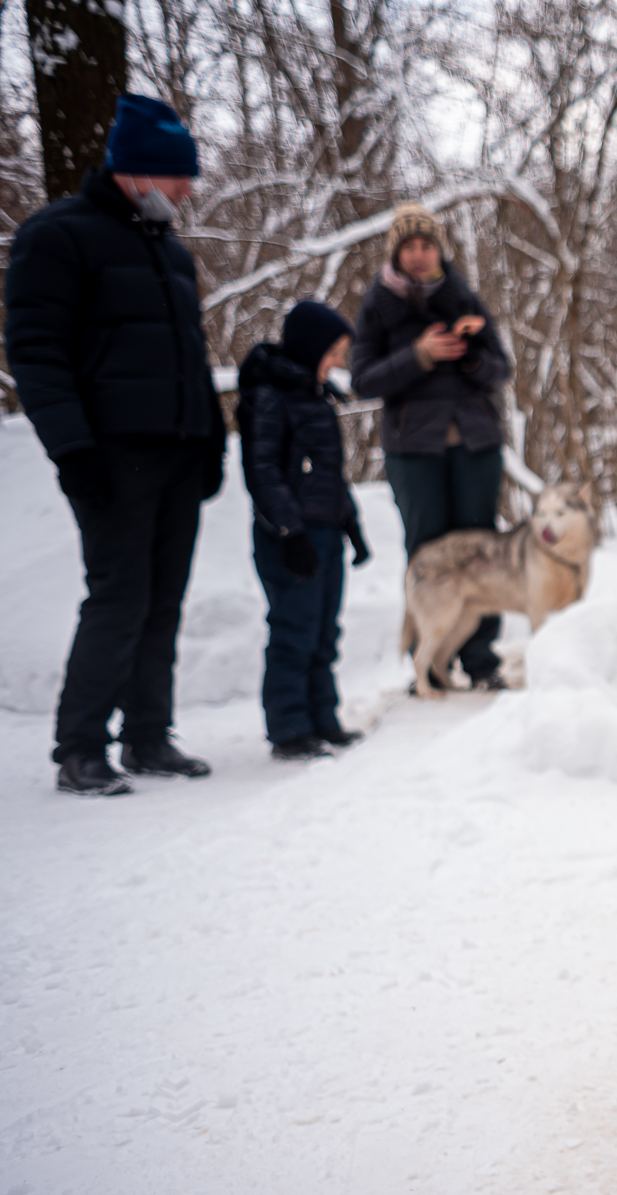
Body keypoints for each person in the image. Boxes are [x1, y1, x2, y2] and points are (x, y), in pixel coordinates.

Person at [3, 94, 225, 796]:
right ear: (137, 172)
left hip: (178, 451)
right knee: (119, 596)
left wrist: (211, 438)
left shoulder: (171, 253)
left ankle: (149, 735)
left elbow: (191, 357)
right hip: (111, 452)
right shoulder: (58, 236)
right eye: (179, 176)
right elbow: (36, 353)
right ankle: (81, 745)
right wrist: (73, 450)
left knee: (164, 598)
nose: (188, 189)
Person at [351, 203, 513, 691]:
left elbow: (500, 369)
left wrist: (467, 361)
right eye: (410, 247)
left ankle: (482, 660)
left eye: (427, 245)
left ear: (439, 248)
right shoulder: (378, 305)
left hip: (475, 443)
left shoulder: (464, 297)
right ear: (396, 253)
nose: (420, 255)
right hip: (413, 450)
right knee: (427, 552)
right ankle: (430, 664)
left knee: (482, 547)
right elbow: (363, 379)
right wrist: (418, 356)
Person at [237, 301, 374, 761]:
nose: (337, 362)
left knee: (324, 631)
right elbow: (262, 472)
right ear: (311, 347)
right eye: (332, 351)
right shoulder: (269, 396)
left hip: (325, 532)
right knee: (294, 629)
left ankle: (322, 718)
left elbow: (329, 474)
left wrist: (350, 523)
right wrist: (289, 532)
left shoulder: (316, 397)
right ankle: (289, 728)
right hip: (289, 537)